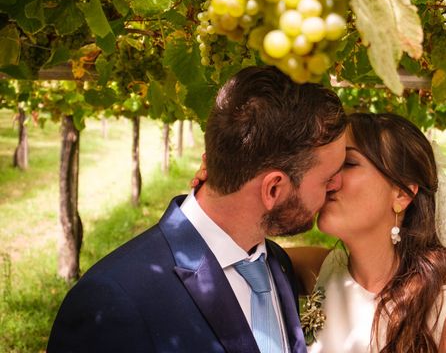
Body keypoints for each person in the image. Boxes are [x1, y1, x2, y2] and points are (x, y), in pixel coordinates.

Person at [47, 65, 347, 353]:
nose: (336, 186)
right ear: (273, 189)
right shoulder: (113, 302)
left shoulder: (275, 263)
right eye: (327, 179)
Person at [291, 112, 446, 353]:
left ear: (402, 194)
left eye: (348, 164)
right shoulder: (323, 268)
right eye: (330, 166)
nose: (329, 180)